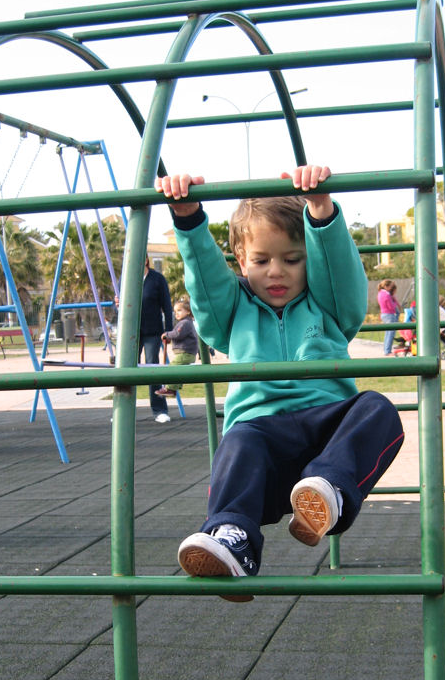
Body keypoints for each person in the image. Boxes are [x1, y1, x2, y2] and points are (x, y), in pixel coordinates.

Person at [155, 163, 404, 597]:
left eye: (292, 259)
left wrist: (321, 213)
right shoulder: (232, 314)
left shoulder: (327, 306)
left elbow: (340, 273)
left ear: (308, 257)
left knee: (377, 409)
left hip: (326, 433)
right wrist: (190, 219)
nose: (276, 272)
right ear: (241, 261)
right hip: (263, 442)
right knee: (237, 439)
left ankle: (329, 494)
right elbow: (209, 284)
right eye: (261, 260)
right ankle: (232, 540)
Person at [139, 257, 174, 422]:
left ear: (146, 260)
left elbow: (167, 306)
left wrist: (168, 330)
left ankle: (159, 409)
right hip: (132, 331)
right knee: (125, 366)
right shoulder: (126, 279)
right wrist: (115, 304)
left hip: (152, 331)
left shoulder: (157, 279)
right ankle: (123, 411)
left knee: (152, 365)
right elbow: (116, 301)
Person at [157, 298, 198, 397]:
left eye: (179, 310)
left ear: (188, 311)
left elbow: (177, 333)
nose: (176, 313)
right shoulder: (186, 322)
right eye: (175, 311)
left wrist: (166, 334)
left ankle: (170, 388)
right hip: (186, 353)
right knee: (178, 370)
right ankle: (174, 388)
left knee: (173, 368)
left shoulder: (185, 323)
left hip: (185, 353)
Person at [377, 279, 401, 355]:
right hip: (389, 314)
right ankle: (387, 351)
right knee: (390, 334)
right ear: (386, 286)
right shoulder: (386, 295)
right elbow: (391, 306)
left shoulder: (380, 293)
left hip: (384, 314)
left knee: (387, 333)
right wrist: (394, 302)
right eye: (390, 287)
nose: (391, 288)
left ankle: (386, 350)